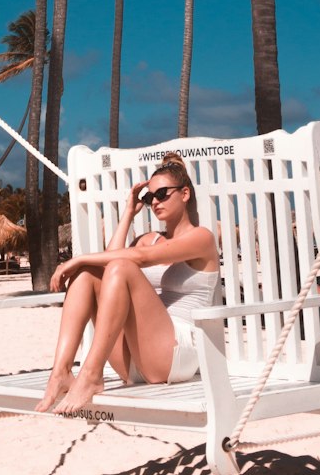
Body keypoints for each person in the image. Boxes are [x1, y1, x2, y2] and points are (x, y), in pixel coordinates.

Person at [36, 152, 221, 416]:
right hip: (138, 358)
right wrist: (128, 215)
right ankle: (61, 372)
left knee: (119, 266)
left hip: (177, 354)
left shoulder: (201, 238)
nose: (154, 202)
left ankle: (91, 374)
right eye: (149, 198)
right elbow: (106, 267)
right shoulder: (149, 239)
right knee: (88, 273)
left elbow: (138, 259)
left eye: (162, 194)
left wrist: (77, 258)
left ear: (185, 194)